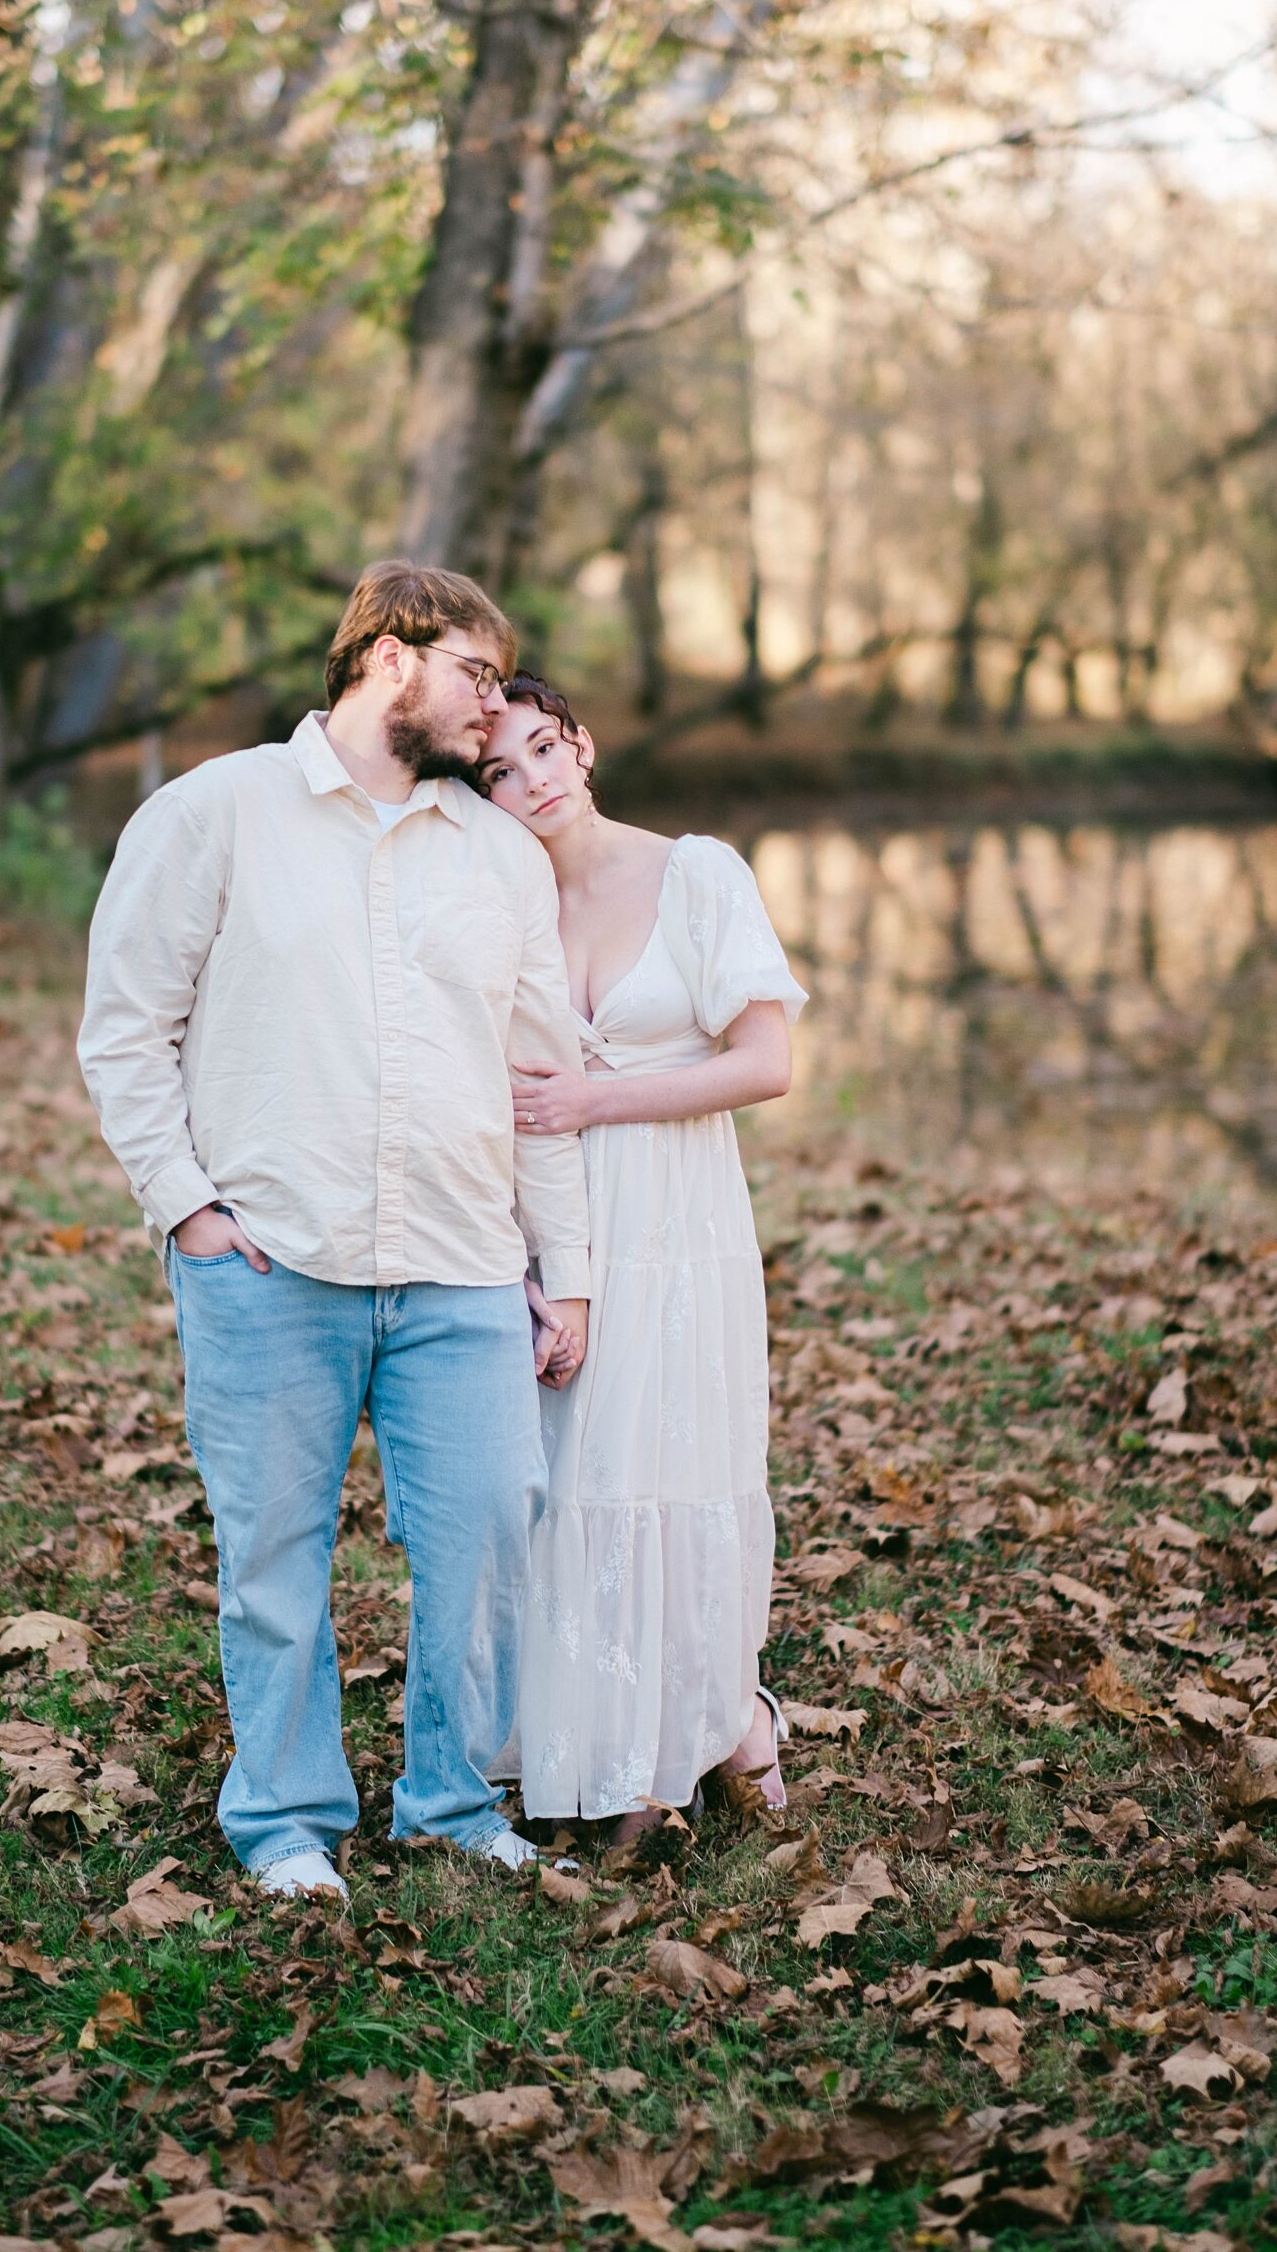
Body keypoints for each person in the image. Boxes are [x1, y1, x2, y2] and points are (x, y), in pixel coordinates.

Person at [77, 567, 591, 1902]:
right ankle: (285, 1820)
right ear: (387, 657)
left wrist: (569, 1271)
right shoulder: (214, 813)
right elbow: (125, 1030)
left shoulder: (500, 858)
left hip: (464, 1266)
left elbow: (539, 1079)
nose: (494, 708)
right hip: (269, 1261)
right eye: (477, 675)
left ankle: (452, 1803)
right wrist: (187, 1208)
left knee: (487, 1540)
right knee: (272, 1560)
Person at [475, 674, 805, 1841]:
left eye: (544, 746)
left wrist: (595, 1100)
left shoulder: (696, 872)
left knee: (669, 1467)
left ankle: (719, 1723)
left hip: (677, 1218)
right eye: (500, 770)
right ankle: (589, 1742)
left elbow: (765, 1064)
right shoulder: (501, 906)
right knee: (567, 1477)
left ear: (583, 744)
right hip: (552, 1223)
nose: (533, 779)